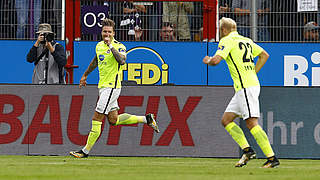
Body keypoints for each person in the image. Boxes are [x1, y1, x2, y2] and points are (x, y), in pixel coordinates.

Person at [69, 18, 160, 158]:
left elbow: (122, 61)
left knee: (97, 117)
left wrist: (111, 46)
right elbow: (96, 60)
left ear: (114, 33)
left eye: (109, 32)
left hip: (112, 87)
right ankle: (146, 119)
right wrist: (85, 75)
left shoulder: (119, 46)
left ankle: (85, 151)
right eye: (105, 32)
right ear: (101, 32)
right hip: (103, 87)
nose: (107, 34)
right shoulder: (99, 46)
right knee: (113, 120)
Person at [202, 17, 280, 168]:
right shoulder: (247, 40)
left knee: (251, 123)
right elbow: (265, 55)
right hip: (245, 86)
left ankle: (272, 158)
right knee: (226, 120)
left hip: (245, 87)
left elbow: (216, 61)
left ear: (223, 30)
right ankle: (247, 150)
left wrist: (208, 60)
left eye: (220, 30)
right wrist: (253, 72)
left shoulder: (226, 40)